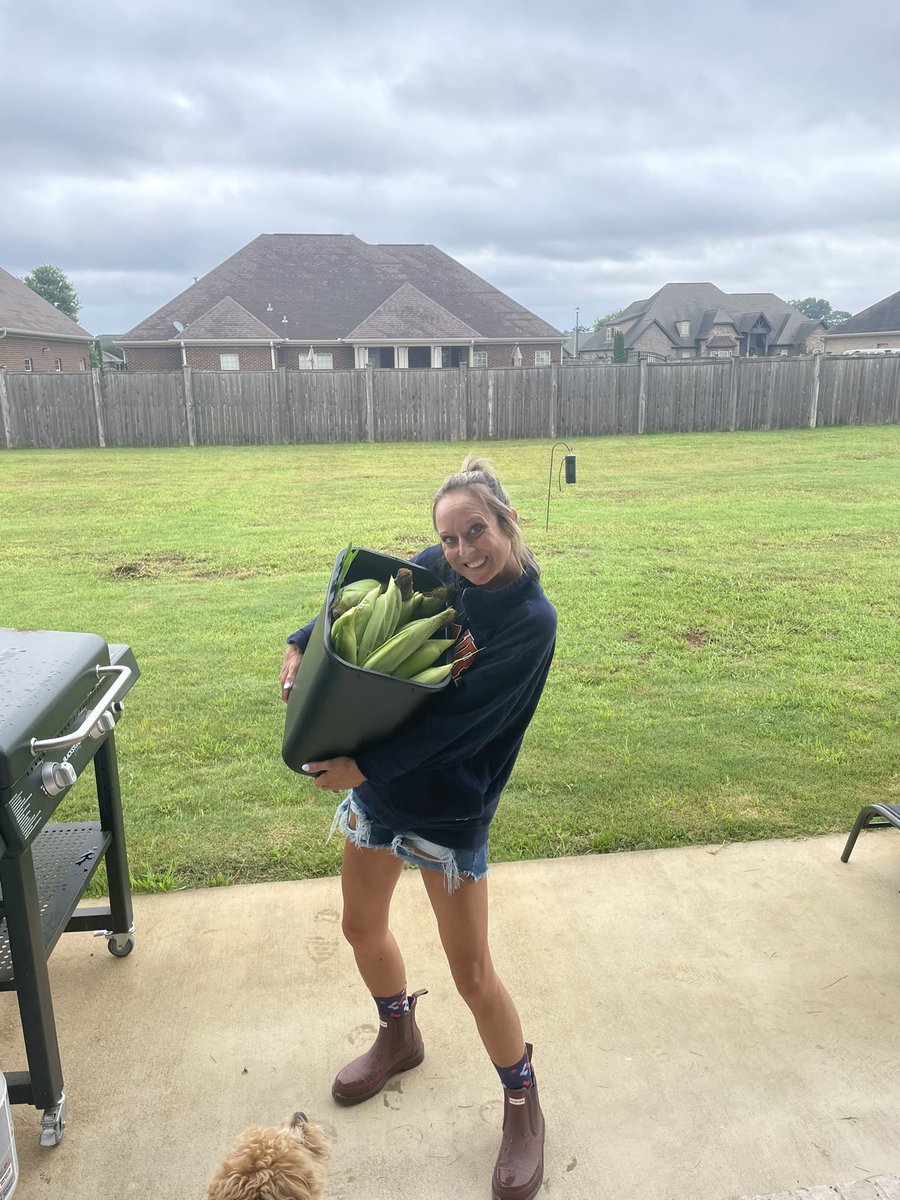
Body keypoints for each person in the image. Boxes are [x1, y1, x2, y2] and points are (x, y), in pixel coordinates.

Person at [279, 454, 557, 1200]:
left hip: (448, 807)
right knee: (360, 927)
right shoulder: (438, 566)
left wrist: (362, 770)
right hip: (381, 796)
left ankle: (523, 1102)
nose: (463, 553)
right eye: (451, 538)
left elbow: (462, 730)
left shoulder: (531, 623)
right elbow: (362, 599)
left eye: (477, 533)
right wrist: (302, 641)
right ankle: (399, 1034)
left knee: (471, 974)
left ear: (507, 524)